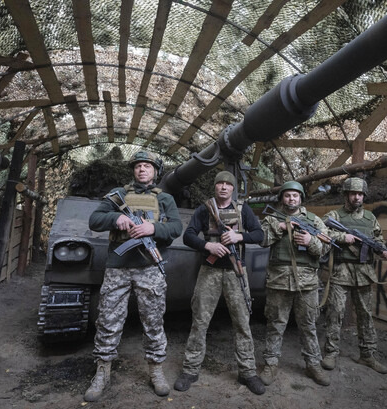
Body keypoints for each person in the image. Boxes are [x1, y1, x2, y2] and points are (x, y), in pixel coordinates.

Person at [84, 151, 183, 401]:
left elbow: (175, 228)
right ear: (133, 170)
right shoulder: (117, 195)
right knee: (108, 320)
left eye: (147, 166)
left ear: (155, 172)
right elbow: (95, 220)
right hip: (118, 267)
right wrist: (116, 217)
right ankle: (102, 371)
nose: (142, 170)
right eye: (138, 166)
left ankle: (156, 370)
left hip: (149, 269)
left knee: (153, 321)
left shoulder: (165, 199)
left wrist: (153, 228)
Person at [174, 171, 266, 395]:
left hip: (236, 272)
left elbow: (260, 235)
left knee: (243, 324)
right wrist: (209, 247)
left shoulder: (243, 210)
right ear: (214, 187)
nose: (223, 187)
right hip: (210, 271)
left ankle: (248, 373)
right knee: (200, 322)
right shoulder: (204, 209)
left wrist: (239, 237)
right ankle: (190, 370)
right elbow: (189, 236)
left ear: (233, 189)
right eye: (220, 184)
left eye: (228, 184)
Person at [259, 181, 330, 386]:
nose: (292, 199)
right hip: (279, 281)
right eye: (288, 195)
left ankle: (313, 364)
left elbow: (326, 249)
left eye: (295, 196)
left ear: (301, 199)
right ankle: (271, 364)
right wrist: (280, 227)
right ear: (282, 198)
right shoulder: (272, 218)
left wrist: (310, 242)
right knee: (275, 324)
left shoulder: (314, 220)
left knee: (308, 325)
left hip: (307, 283)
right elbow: (261, 239)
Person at [321, 177, 387, 374]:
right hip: (341, 271)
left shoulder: (370, 218)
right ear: (346, 195)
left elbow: (378, 239)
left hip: (364, 273)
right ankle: (331, 352)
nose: (356, 197)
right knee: (335, 313)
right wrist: (343, 237)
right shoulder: (335, 214)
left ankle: (367, 354)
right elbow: (321, 231)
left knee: (366, 315)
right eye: (353, 193)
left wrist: (383, 251)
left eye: (360, 194)